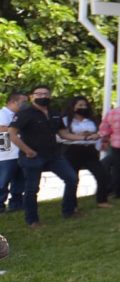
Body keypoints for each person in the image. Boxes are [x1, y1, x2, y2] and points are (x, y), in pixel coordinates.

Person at [8, 85, 80, 228]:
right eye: (38, 94)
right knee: (32, 189)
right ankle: (33, 220)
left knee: (72, 178)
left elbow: (64, 134)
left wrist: (85, 137)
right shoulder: (25, 113)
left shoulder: (54, 113)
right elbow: (11, 133)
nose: (42, 97)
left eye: (45, 94)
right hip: (32, 156)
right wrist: (27, 150)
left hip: (53, 155)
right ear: (32, 97)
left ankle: (69, 211)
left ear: (50, 96)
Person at [61, 96, 112, 209]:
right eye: (80, 105)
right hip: (73, 150)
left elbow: (99, 133)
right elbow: (60, 137)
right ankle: (71, 204)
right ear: (73, 107)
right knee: (73, 178)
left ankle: (102, 200)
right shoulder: (65, 120)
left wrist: (96, 137)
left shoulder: (91, 120)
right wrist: (79, 137)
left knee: (102, 174)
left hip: (89, 150)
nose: (83, 108)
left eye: (85, 105)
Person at [0, 92, 27, 215]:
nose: (25, 105)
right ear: (13, 102)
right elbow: (2, 129)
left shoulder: (20, 115)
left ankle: (16, 204)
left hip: (19, 152)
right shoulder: (2, 113)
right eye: (23, 102)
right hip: (6, 155)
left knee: (19, 181)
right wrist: (17, 128)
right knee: (3, 182)